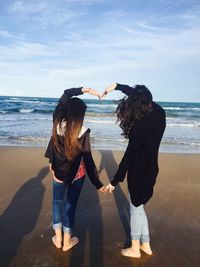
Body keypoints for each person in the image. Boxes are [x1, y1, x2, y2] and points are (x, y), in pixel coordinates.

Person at [102, 83, 166, 258]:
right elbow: (139, 96)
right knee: (140, 207)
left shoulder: (139, 128)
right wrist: (117, 86)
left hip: (138, 172)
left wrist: (115, 181)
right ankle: (146, 245)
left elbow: (128, 157)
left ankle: (135, 248)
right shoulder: (160, 113)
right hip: (152, 169)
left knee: (136, 209)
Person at [45, 87, 105, 251]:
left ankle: (57, 239)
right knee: (70, 206)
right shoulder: (83, 131)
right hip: (76, 175)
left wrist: (83, 90)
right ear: (80, 115)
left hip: (58, 173)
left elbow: (64, 96)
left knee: (57, 203)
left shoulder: (57, 122)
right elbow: (88, 158)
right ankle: (67, 241)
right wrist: (98, 183)